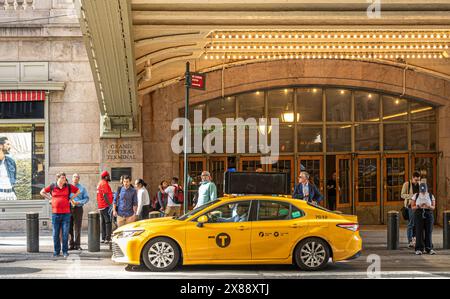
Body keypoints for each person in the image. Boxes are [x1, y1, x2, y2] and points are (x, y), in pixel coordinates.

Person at [40, 172, 80, 258]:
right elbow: (42, 192)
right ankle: (56, 251)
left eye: (65, 178)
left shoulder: (68, 186)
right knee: (55, 234)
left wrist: (71, 199)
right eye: (62, 178)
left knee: (65, 233)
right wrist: (50, 198)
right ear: (58, 178)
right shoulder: (52, 186)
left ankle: (65, 251)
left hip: (66, 214)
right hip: (55, 214)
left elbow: (78, 191)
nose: (64, 179)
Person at [411, 183, 436, 255]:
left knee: (429, 231)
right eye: (422, 191)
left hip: (428, 213)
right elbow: (412, 207)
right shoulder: (416, 195)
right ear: (419, 190)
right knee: (419, 232)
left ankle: (429, 248)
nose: (423, 192)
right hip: (419, 213)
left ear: (427, 189)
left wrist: (429, 206)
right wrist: (418, 206)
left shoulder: (431, 196)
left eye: (424, 191)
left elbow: (433, 207)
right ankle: (419, 249)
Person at [69, 173, 89, 251]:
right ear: (72, 178)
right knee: (69, 227)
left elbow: (86, 198)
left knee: (77, 227)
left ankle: (77, 245)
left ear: (79, 179)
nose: (76, 178)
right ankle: (71, 244)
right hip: (69, 208)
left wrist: (79, 202)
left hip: (78, 208)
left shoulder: (82, 188)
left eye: (77, 177)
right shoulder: (68, 187)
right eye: (74, 177)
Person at [401, 171, 421, 248]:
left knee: (417, 224)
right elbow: (402, 195)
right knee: (411, 224)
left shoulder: (420, 184)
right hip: (410, 206)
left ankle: (414, 239)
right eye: (416, 180)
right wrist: (412, 196)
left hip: (418, 206)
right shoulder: (407, 184)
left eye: (418, 180)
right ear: (412, 178)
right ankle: (410, 241)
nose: (417, 181)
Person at [96, 171, 113, 244]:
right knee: (108, 222)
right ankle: (107, 238)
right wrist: (110, 204)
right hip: (105, 206)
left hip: (101, 206)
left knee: (103, 222)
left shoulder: (100, 183)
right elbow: (105, 195)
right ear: (105, 177)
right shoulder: (104, 183)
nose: (109, 177)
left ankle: (103, 238)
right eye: (108, 176)